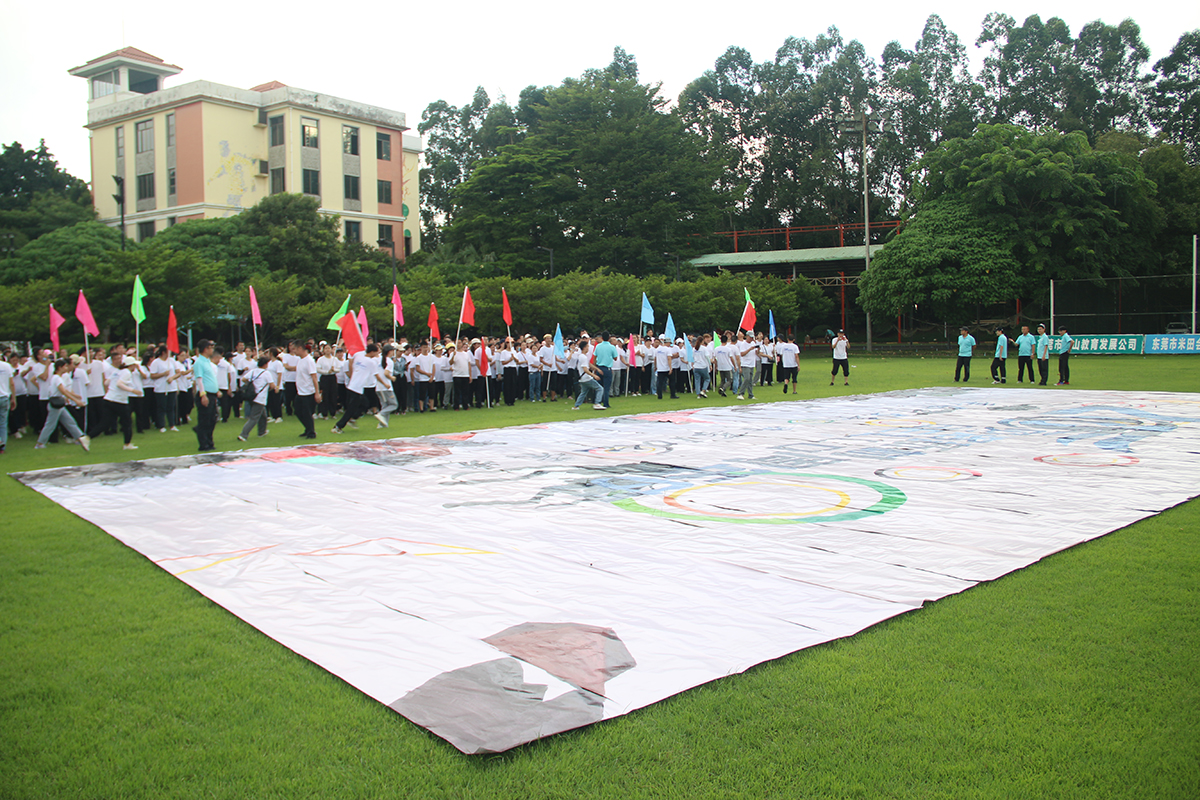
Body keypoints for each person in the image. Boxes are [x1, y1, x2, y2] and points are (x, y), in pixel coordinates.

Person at [34, 358, 91, 452]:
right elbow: (63, 391)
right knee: (50, 424)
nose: (66, 368)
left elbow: (65, 391)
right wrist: (75, 400)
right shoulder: (56, 378)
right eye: (64, 366)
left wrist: (75, 396)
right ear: (60, 368)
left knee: (70, 422)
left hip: (59, 404)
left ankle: (81, 438)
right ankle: (40, 443)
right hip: (56, 404)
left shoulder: (58, 378)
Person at [333, 343, 379, 432]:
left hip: (356, 387)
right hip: (355, 388)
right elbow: (376, 375)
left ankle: (352, 418)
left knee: (365, 404)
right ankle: (338, 426)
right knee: (351, 409)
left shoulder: (359, 357)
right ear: (372, 352)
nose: (377, 354)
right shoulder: (370, 362)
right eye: (376, 352)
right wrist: (385, 383)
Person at [192, 340, 221, 452]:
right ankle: (203, 444)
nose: (212, 350)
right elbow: (199, 379)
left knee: (212, 419)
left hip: (212, 393)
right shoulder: (199, 362)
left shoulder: (207, 362)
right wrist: (203, 394)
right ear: (205, 349)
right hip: (205, 394)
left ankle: (209, 441)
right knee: (205, 420)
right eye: (210, 348)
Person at [236, 355, 272, 442]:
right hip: (260, 398)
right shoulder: (266, 373)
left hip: (251, 396)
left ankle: (262, 431)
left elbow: (244, 379)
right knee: (254, 418)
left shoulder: (253, 371)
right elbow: (272, 385)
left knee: (263, 415)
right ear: (265, 364)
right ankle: (243, 434)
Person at [294, 341, 320, 438]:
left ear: (300, 348)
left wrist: (317, 393)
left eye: (295, 349)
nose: (294, 351)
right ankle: (308, 428)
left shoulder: (309, 360)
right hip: (300, 391)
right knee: (298, 410)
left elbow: (314, 377)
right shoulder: (300, 360)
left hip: (308, 391)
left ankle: (311, 432)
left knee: (307, 413)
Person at [570, 340, 605, 410]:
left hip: (582, 378)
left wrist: (597, 369)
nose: (588, 348)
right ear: (584, 348)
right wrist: (594, 375)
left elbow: (589, 364)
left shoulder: (581, 356)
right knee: (600, 388)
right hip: (586, 378)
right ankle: (597, 403)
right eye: (587, 347)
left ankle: (576, 406)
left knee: (583, 392)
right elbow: (585, 369)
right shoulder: (583, 357)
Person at [592, 331, 618, 408]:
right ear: (609, 338)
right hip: (607, 368)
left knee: (599, 387)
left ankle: (598, 401)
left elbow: (594, 357)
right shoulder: (612, 347)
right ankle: (606, 403)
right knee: (606, 387)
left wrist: (595, 367)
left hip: (599, 367)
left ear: (602, 338)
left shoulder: (598, 346)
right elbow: (615, 358)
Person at [737, 332, 758, 399]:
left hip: (752, 364)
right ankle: (741, 393)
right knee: (747, 378)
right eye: (750, 337)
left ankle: (750, 394)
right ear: (747, 336)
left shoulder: (753, 343)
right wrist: (750, 349)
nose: (751, 338)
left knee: (750, 380)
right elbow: (742, 354)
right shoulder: (743, 344)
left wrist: (758, 349)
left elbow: (756, 353)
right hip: (745, 364)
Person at [0, 353, 13, 454]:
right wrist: (14, 398)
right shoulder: (6, 366)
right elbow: (11, 383)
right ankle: (2, 446)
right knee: (3, 423)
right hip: (4, 396)